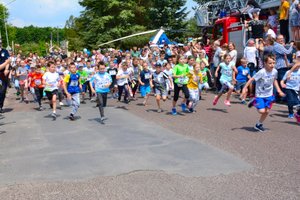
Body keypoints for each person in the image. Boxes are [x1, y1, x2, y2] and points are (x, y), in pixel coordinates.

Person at [242, 54, 285, 132]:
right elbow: (252, 79)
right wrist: (244, 88)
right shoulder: (261, 72)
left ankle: (259, 124)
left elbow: (274, 80)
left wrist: (279, 90)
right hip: (260, 95)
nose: (272, 65)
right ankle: (254, 101)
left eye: (273, 63)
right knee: (261, 111)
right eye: (270, 63)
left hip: (269, 94)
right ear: (265, 63)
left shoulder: (275, 71)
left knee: (267, 111)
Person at [0, 41, 11, 113]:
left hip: (3, 74)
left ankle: (0, 106)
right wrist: (6, 63)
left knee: (2, 91)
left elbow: (8, 61)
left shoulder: (5, 51)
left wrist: (6, 69)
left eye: (0, 42)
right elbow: (7, 61)